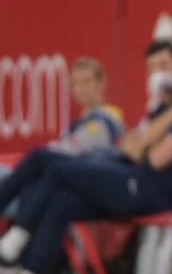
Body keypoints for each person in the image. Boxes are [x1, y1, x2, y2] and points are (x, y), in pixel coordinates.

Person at [0, 45, 172, 274]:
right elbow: (133, 146)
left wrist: (148, 137)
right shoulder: (170, 104)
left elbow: (155, 159)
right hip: (137, 178)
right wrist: (148, 137)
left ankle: (13, 244)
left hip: (153, 190)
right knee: (62, 200)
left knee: (57, 167)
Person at [0, 57, 124, 220]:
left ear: (101, 83)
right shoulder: (81, 120)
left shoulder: (106, 117)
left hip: (76, 189)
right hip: (58, 180)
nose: (81, 89)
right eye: (76, 84)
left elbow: (71, 151)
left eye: (87, 82)